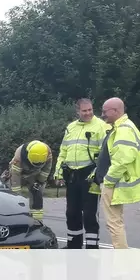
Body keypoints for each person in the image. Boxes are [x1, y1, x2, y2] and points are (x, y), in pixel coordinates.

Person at [91, 97, 140, 249]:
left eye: (104, 111)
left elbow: (123, 159)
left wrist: (108, 180)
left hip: (112, 184)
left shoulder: (124, 129)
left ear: (116, 111)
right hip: (113, 183)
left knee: (114, 224)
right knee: (115, 223)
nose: (102, 115)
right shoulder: (121, 127)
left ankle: (122, 262)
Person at [54, 98, 110, 249]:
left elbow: (105, 154)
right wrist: (58, 173)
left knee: (90, 215)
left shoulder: (101, 126)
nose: (88, 113)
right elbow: (63, 151)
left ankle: (92, 248)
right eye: (84, 111)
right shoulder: (71, 127)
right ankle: (74, 246)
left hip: (89, 175)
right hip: (72, 175)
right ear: (77, 111)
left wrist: (97, 174)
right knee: (72, 213)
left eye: (90, 110)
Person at [8, 140, 53, 221]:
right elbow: (15, 177)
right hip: (20, 174)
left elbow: (47, 169)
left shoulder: (47, 152)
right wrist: (17, 196)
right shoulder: (18, 157)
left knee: (37, 195)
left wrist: (40, 182)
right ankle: (13, 216)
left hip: (36, 175)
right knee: (10, 195)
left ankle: (37, 220)